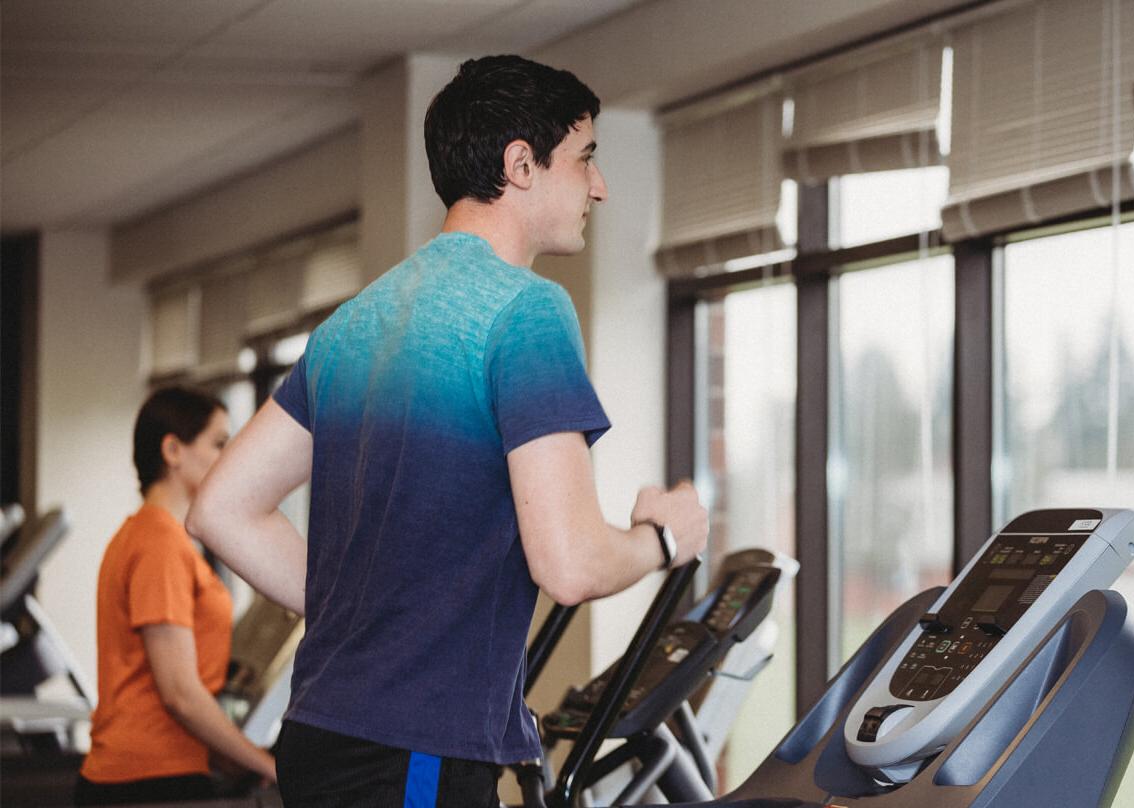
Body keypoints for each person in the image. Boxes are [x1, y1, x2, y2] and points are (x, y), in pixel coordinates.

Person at [188, 54, 709, 807]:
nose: (598, 185)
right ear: (520, 164)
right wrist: (664, 539)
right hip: (412, 751)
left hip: (320, 735)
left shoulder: (354, 322)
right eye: (586, 158)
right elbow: (567, 564)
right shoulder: (526, 311)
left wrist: (360, 614)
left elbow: (222, 508)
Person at [76, 387, 277, 805]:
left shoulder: (147, 533)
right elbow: (180, 693)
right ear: (172, 450)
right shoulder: (159, 542)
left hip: (154, 771)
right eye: (219, 443)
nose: (228, 457)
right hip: (148, 779)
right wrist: (264, 763)